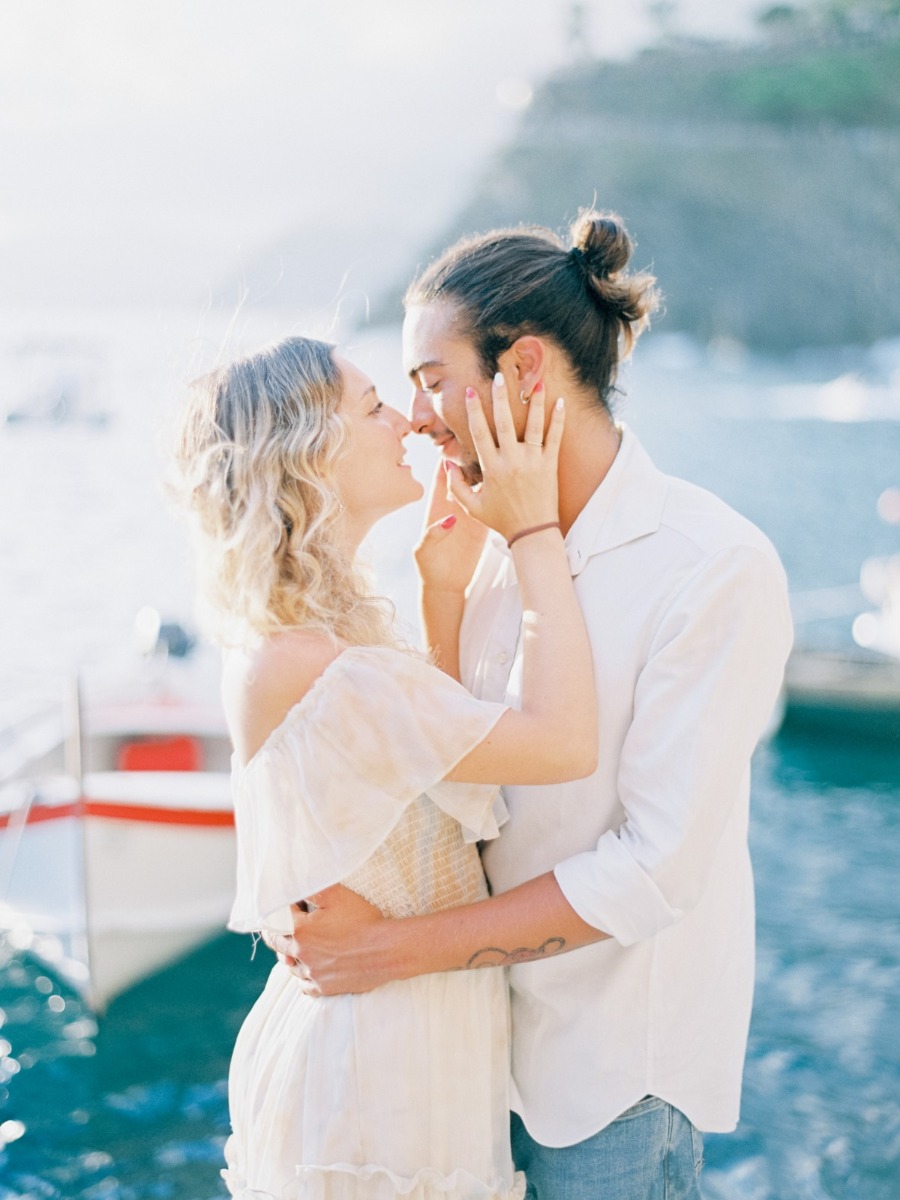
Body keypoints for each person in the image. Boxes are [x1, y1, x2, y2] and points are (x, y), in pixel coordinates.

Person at [271, 211, 794, 1200]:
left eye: (431, 381)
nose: (419, 419)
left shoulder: (713, 567)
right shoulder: (490, 545)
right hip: (475, 1052)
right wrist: (442, 600)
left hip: (610, 1080)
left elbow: (653, 870)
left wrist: (385, 954)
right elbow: (467, 785)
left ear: (524, 370)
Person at [170, 334, 601, 1200]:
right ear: (307, 454)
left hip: (397, 1060)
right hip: (372, 1086)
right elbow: (563, 743)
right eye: (372, 407)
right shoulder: (318, 663)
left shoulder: (310, 643)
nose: (407, 420)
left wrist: (442, 592)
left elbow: (440, 781)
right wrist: (532, 530)